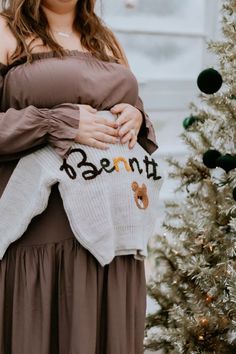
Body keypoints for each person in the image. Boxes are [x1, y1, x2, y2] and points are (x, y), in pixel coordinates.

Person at [0, 0, 158, 353]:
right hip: (41, 241)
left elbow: (135, 112)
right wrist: (57, 122)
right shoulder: (6, 31)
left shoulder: (103, 37)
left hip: (116, 239)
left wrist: (137, 117)